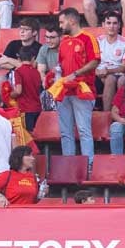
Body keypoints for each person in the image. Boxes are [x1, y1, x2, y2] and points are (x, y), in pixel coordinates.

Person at [53, 8, 99, 162]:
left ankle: (89, 165)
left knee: (84, 130)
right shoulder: (64, 41)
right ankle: (68, 165)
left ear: (72, 21)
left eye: (62, 22)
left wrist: (76, 74)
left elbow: (95, 61)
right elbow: (61, 64)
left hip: (83, 90)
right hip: (65, 91)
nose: (60, 26)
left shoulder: (88, 38)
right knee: (66, 132)